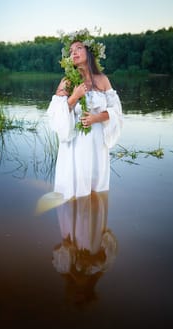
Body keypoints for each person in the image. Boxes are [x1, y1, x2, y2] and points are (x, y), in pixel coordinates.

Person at [47, 28, 123, 200]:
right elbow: (55, 114)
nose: (74, 53)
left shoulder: (103, 80)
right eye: (71, 51)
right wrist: (74, 97)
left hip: (97, 143)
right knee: (76, 190)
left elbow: (116, 112)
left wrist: (96, 118)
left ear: (89, 52)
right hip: (75, 143)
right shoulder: (67, 82)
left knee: (96, 191)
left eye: (78, 48)